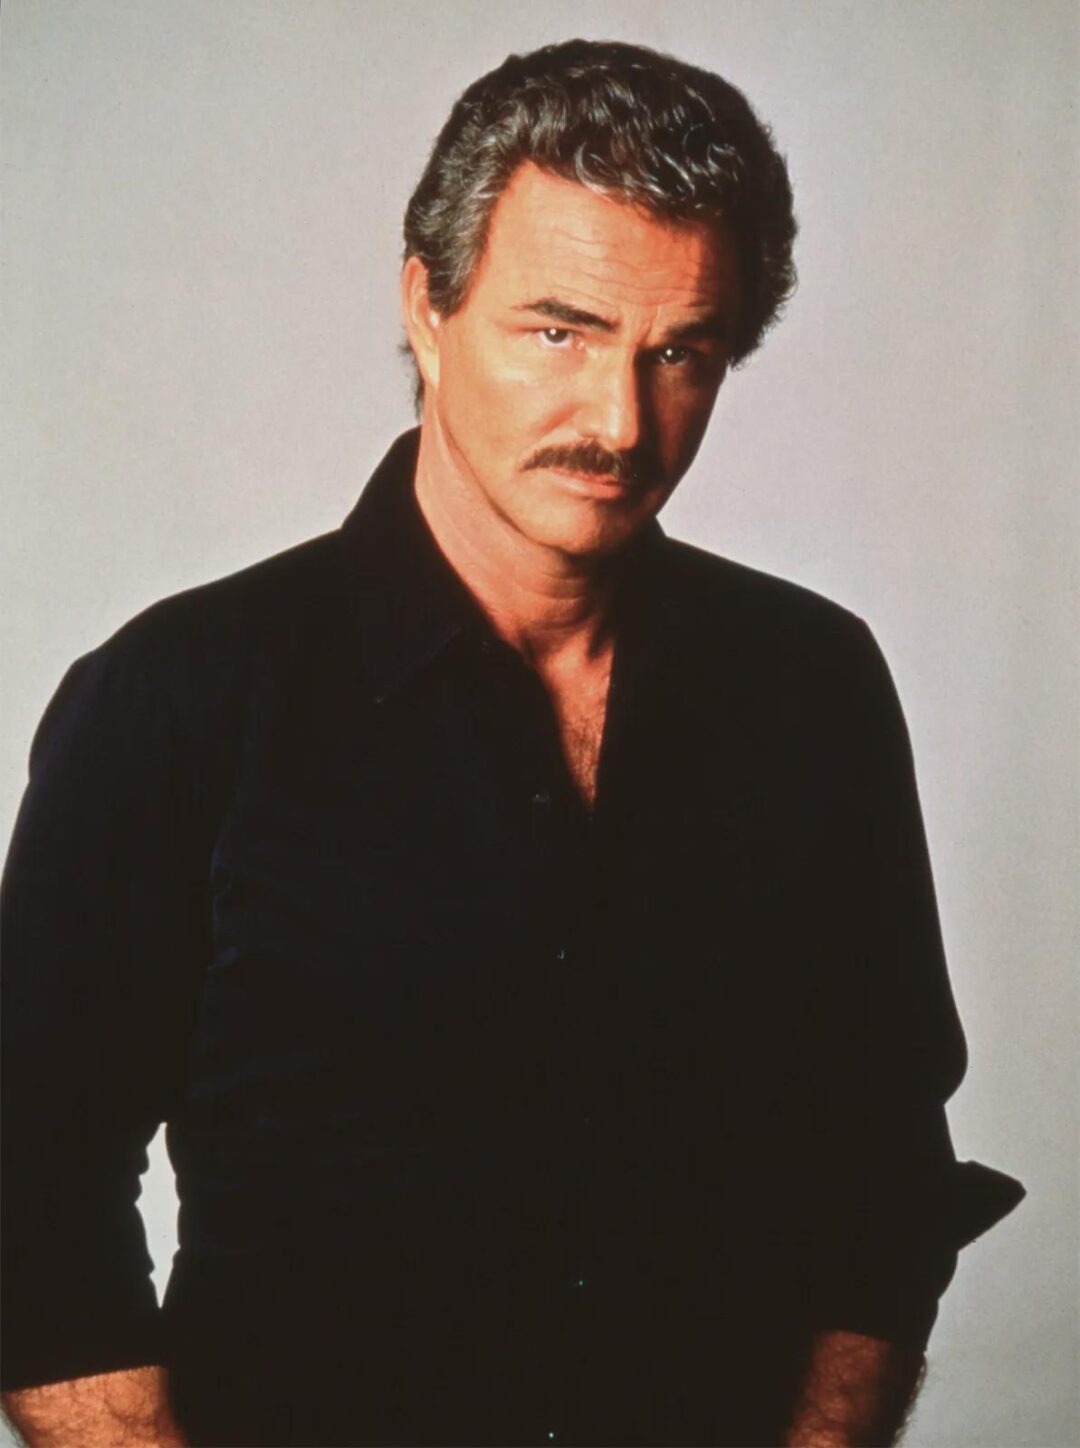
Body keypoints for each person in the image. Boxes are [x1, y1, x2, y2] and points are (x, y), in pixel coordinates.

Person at [1, 38, 1023, 1448]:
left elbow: (881, 1170)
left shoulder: (811, 686)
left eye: (681, 353)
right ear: (427, 307)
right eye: (560, 332)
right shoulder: (175, 701)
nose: (620, 421)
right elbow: (31, 1197)